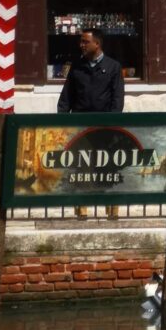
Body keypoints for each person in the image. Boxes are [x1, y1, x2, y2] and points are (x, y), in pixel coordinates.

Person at [57, 28, 125, 220]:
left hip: (105, 125)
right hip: (80, 125)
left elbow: (117, 99)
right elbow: (66, 97)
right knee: (81, 168)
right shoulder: (77, 67)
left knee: (109, 167)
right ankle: (82, 211)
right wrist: (63, 121)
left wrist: (112, 123)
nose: (82, 45)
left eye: (85, 42)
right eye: (81, 42)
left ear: (97, 44)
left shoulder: (113, 67)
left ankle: (112, 212)